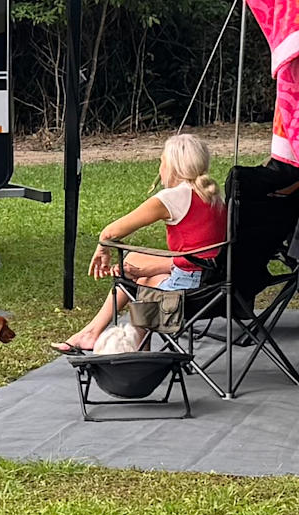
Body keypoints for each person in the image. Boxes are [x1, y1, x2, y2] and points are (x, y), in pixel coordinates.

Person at [57, 131, 228, 353]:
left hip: (190, 290)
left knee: (138, 284)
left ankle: (129, 347)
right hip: (216, 282)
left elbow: (111, 232)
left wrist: (102, 249)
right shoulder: (212, 194)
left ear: (172, 166)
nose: (160, 168)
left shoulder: (172, 197)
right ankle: (95, 333)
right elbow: (201, 252)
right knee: (135, 264)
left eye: (162, 162)